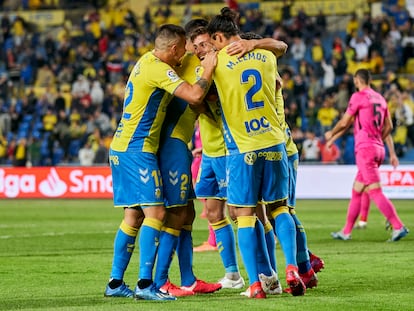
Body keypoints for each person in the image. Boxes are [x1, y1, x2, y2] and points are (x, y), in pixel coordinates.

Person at [104, 24, 217, 301]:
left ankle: (115, 282)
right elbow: (193, 95)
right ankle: (146, 285)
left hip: (123, 147)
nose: (182, 59)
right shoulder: (157, 67)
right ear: (176, 48)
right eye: (182, 52)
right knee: (157, 214)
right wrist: (210, 68)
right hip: (137, 149)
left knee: (134, 217)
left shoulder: (145, 61)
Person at [207, 7, 305, 298]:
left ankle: (255, 284)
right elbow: (280, 46)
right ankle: (291, 267)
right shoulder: (266, 55)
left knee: (246, 215)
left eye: (212, 42)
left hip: (243, 148)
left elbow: (200, 96)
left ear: (218, 36)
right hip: (275, 143)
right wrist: (255, 43)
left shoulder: (218, 61)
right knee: (279, 208)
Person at [325, 69, 409, 242]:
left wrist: (330, 133)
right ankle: (346, 231)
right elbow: (390, 127)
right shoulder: (380, 98)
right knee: (357, 190)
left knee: (375, 192)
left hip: (366, 149)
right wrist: (384, 144)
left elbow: (344, 122)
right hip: (378, 148)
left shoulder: (358, 97)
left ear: (357, 80)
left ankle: (398, 226)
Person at [354, 135, 399, 229]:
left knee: (371, 189)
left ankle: (391, 218)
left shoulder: (368, 122)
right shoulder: (377, 122)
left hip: (368, 153)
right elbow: (388, 132)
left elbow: (387, 134)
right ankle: (363, 221)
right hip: (373, 152)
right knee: (367, 188)